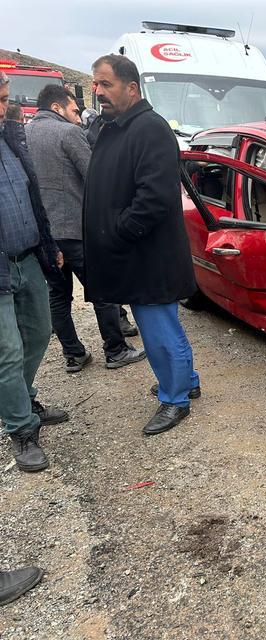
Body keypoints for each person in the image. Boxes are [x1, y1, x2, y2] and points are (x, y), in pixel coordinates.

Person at [84, 55, 199, 436]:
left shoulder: (149, 128)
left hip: (151, 255)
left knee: (159, 331)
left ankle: (176, 397)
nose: (98, 91)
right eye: (95, 84)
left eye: (106, 84)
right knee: (161, 326)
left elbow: (154, 198)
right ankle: (188, 380)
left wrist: (120, 230)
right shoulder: (116, 125)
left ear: (131, 88)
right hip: (135, 253)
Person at [27, 84, 146, 373]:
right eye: (74, 111)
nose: (79, 118)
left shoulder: (25, 132)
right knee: (102, 290)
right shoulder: (68, 133)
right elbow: (96, 175)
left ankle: (74, 354)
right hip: (76, 231)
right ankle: (115, 350)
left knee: (58, 295)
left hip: (44, 235)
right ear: (57, 108)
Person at [0, 71, 68, 472]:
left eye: (5, 95)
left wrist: (49, 245)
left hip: (28, 258)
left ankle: (20, 398)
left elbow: (33, 199)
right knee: (6, 351)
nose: (4, 105)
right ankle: (21, 428)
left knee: (41, 332)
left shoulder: (11, 138)